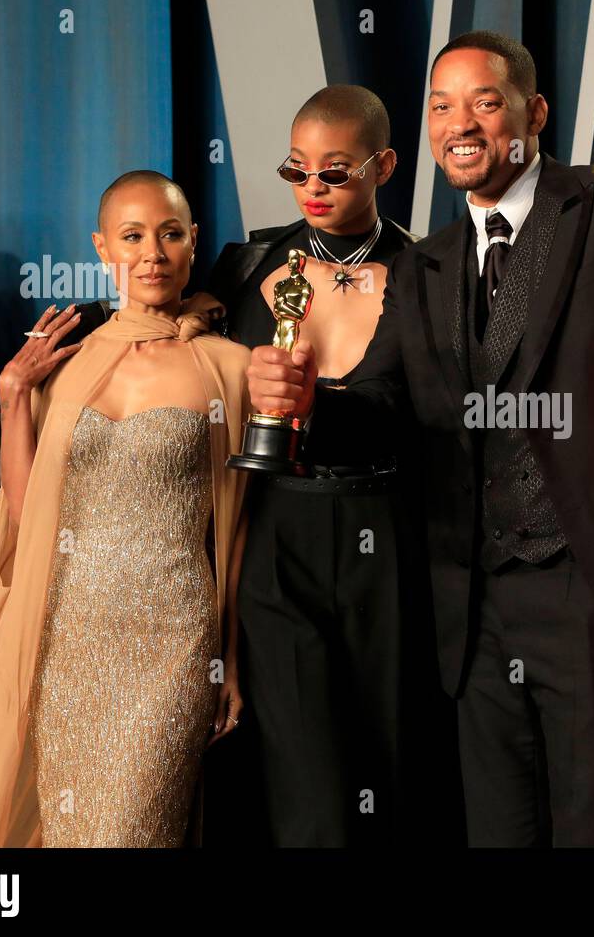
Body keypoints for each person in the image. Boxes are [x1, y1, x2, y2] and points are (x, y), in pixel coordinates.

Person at [247, 32, 594, 846]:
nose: (460, 124)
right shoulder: (427, 264)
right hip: (471, 607)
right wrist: (311, 403)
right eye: (441, 106)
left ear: (533, 113)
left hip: (591, 593)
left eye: (485, 103)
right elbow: (393, 410)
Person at [0, 171, 253, 846]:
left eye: (169, 234)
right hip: (68, 640)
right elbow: (26, 516)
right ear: (102, 248)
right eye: (132, 236)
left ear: (194, 243)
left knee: (133, 832)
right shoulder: (69, 367)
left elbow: (242, 527)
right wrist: (14, 395)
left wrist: (230, 659)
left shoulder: (227, 367)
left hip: (173, 645)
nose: (152, 253)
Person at [206, 85, 455, 846]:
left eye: (334, 172)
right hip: (280, 540)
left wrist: (323, 407)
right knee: (306, 787)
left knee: (389, 771)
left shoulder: (430, 275)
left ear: (383, 166)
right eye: (297, 170)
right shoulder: (247, 267)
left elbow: (434, 423)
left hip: (390, 540)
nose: (312, 188)